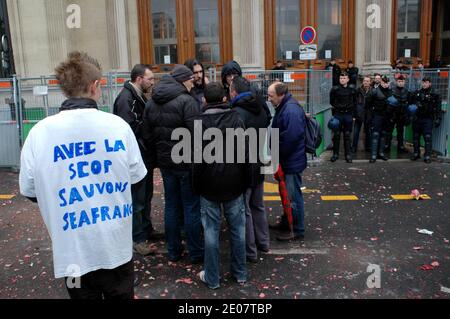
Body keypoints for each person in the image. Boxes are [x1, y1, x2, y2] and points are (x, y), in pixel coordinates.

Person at [19, 52, 148, 299]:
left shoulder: (39, 133)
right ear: (95, 85)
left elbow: (30, 190)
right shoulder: (118, 127)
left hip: (72, 252)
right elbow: (137, 178)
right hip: (115, 249)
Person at [143, 65, 204, 264]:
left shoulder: (151, 103)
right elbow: (197, 133)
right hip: (186, 163)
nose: (192, 83)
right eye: (190, 80)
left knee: (171, 206)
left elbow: (147, 135)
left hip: (165, 163)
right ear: (182, 80)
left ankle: (173, 251)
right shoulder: (187, 101)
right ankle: (195, 252)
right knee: (191, 207)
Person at [193, 83, 250, 289]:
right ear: (224, 99)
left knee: (211, 232)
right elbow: (245, 153)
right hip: (234, 182)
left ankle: (213, 277)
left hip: (209, 185)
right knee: (237, 230)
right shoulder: (236, 118)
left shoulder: (199, 122)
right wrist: (245, 180)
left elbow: (197, 159)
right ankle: (240, 273)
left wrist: (196, 184)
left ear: (205, 100)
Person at [113, 64, 163, 257]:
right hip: (137, 158)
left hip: (143, 158)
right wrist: (149, 133)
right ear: (138, 79)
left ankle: (146, 230)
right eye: (150, 79)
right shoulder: (127, 99)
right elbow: (130, 131)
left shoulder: (137, 96)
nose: (152, 82)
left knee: (145, 196)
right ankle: (138, 238)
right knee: (138, 199)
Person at [230, 76, 271, 263]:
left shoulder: (237, 112)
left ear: (234, 92)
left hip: (244, 166)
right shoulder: (262, 108)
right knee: (258, 205)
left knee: (244, 209)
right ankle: (264, 242)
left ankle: (250, 251)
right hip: (259, 162)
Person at [268, 82, 307, 241]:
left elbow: (290, 138)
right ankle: (287, 221)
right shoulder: (285, 106)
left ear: (281, 95)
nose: (268, 98)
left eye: (271, 95)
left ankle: (297, 229)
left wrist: (278, 156)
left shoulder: (290, 110)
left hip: (291, 161)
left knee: (293, 196)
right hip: (289, 159)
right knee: (287, 194)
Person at [410, 77, 442, 164]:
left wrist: (438, 118)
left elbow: (438, 107)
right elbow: (410, 102)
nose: (424, 84)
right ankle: (416, 153)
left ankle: (427, 155)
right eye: (423, 82)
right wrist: (415, 104)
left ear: (430, 83)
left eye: (426, 82)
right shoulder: (417, 92)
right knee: (416, 137)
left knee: (427, 138)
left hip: (428, 119)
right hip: (417, 118)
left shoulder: (434, 94)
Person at [329, 72, 357, 163]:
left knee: (347, 135)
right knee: (336, 135)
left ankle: (348, 155)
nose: (342, 80)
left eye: (344, 78)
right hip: (338, 114)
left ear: (348, 79)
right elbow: (331, 101)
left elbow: (355, 102)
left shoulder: (352, 89)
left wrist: (353, 115)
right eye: (341, 78)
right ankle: (335, 154)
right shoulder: (335, 89)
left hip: (348, 114)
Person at [367, 75, 392, 163]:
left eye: (387, 83)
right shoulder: (374, 91)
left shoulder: (390, 92)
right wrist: (370, 116)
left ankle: (381, 153)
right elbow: (368, 104)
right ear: (381, 82)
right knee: (375, 135)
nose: (385, 84)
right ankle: (373, 155)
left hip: (386, 116)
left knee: (383, 135)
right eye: (384, 82)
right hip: (377, 115)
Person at [385, 75, 411, 153]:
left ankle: (401, 146)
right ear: (396, 82)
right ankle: (387, 146)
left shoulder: (407, 92)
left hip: (402, 115)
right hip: (393, 114)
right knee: (389, 131)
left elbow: (409, 104)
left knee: (400, 132)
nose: (400, 83)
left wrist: (407, 116)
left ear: (404, 82)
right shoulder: (391, 91)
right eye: (399, 81)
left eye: (402, 81)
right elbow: (387, 103)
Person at [352, 76, 372, 153]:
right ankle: (354, 147)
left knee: (368, 132)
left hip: (368, 115)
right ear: (363, 82)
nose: (366, 82)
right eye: (364, 81)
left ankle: (368, 147)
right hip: (358, 114)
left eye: (367, 81)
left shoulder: (372, 91)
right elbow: (354, 103)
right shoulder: (358, 91)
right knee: (356, 132)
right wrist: (354, 115)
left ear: (370, 82)